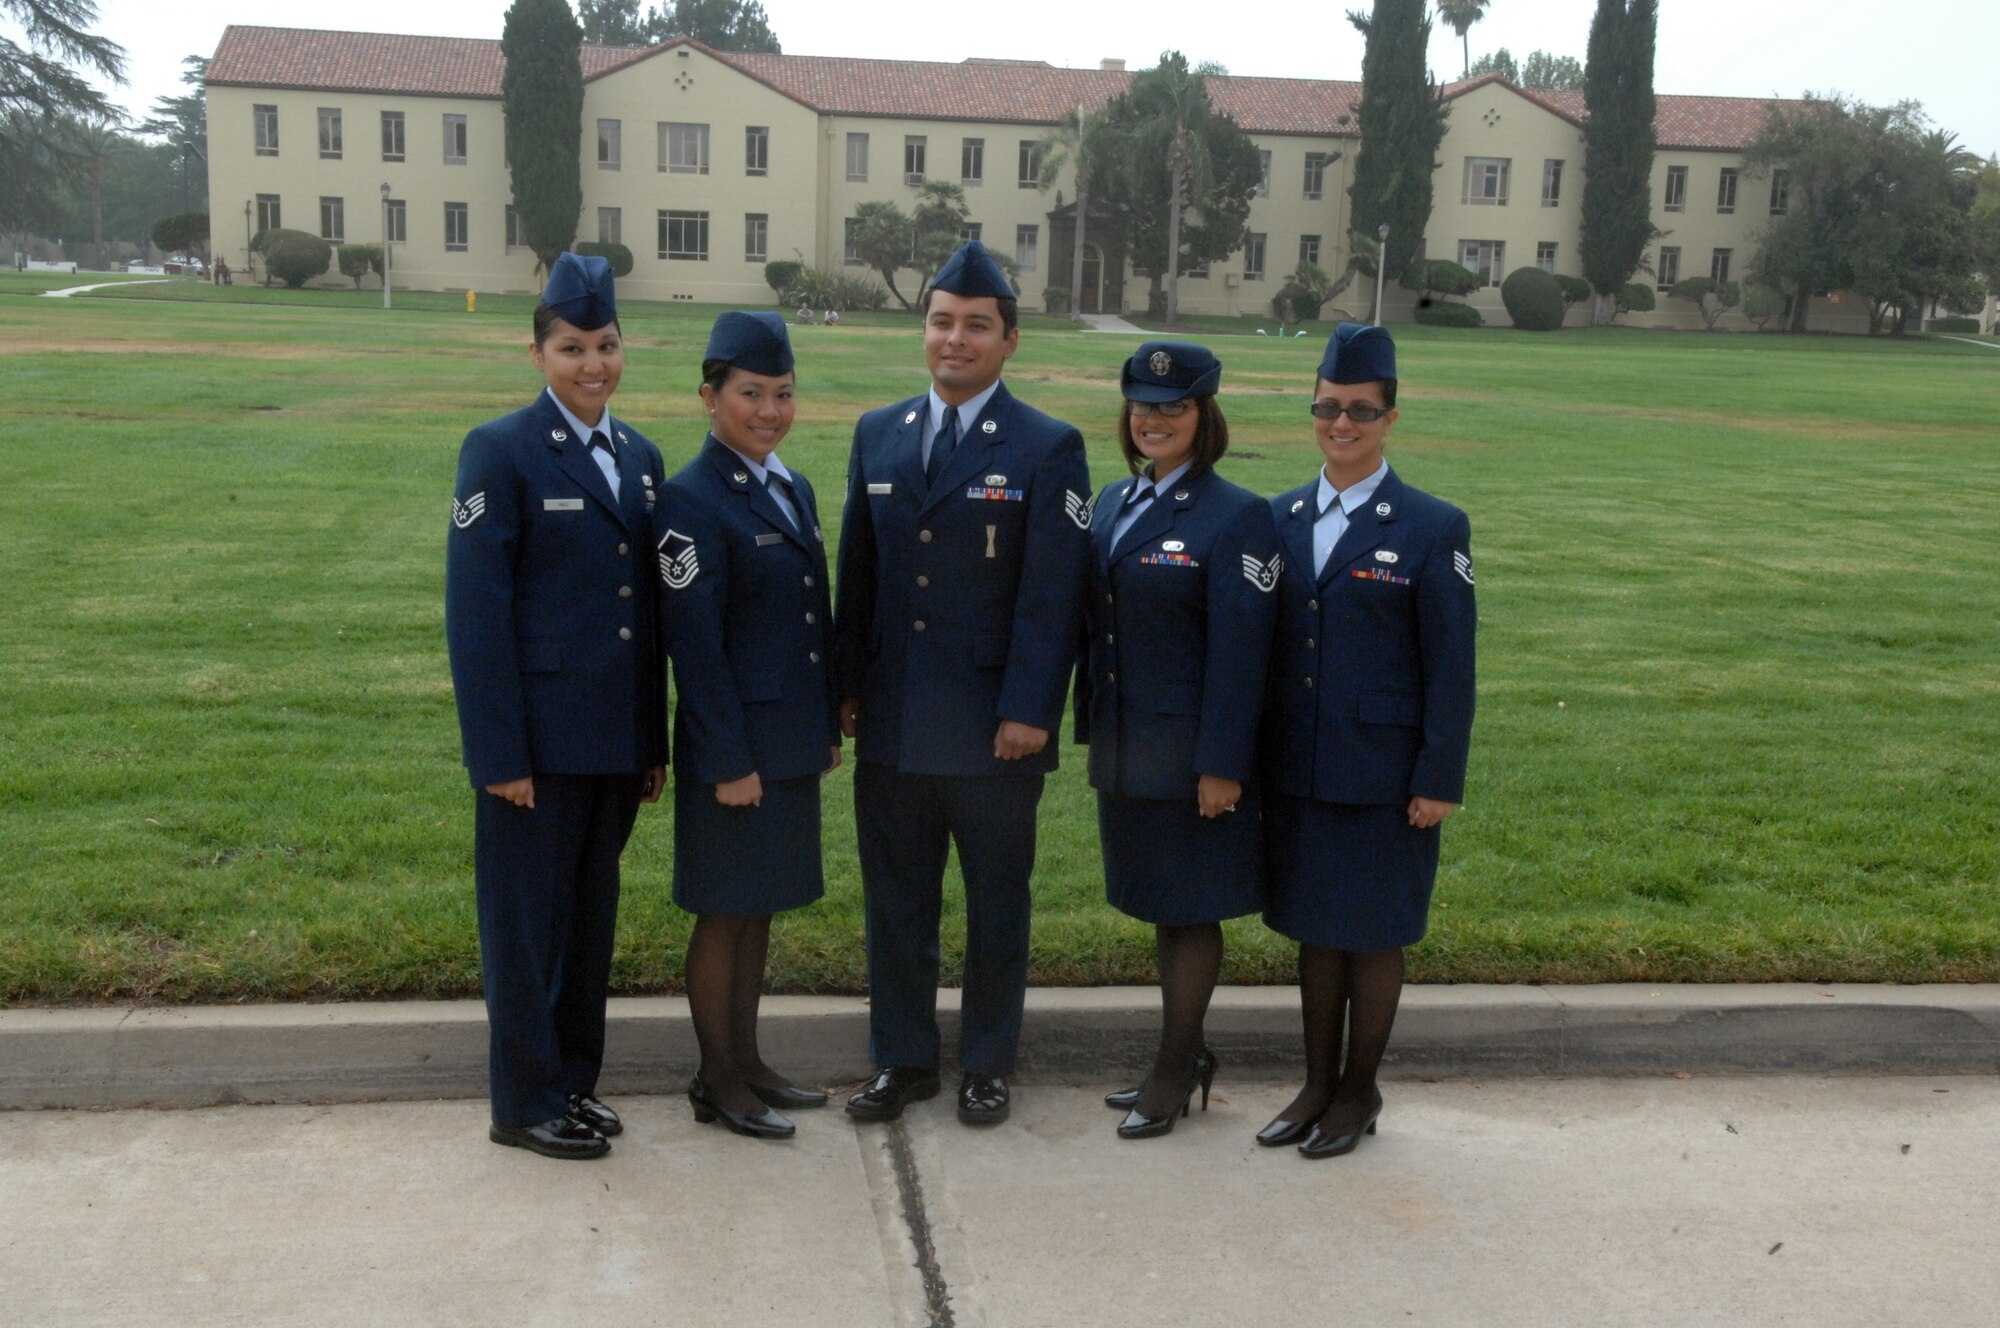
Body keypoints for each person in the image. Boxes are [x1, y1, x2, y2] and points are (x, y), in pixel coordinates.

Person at [833, 239, 1092, 1127]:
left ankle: (987, 1060)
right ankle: (901, 1059)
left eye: (976, 326)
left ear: (1009, 340)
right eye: (941, 322)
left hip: (993, 731)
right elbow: (857, 576)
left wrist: (1030, 710)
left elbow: (1052, 596)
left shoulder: (1049, 446)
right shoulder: (879, 433)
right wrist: (846, 687)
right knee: (896, 903)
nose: (955, 339)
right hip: (897, 723)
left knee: (995, 905)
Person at [444, 252, 668, 1161]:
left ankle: (573, 1082)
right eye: (572, 347)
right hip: (534, 750)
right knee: (525, 931)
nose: (593, 365)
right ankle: (523, 1101)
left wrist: (651, 739)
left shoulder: (642, 458)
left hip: (612, 744)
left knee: (587, 925)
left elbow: (647, 616)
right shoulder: (499, 452)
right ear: (536, 352)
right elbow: (477, 615)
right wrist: (499, 756)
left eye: (606, 346)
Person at [1258, 322, 1476, 1159]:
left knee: (1375, 933)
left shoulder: (1431, 526)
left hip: (1385, 774)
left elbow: (1450, 667)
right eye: (1326, 407)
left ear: (1389, 416)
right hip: (1302, 768)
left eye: (1359, 410)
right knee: (1318, 930)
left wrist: (1439, 774)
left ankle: (1359, 1091)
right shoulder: (1278, 518)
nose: (1340, 424)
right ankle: (1316, 1082)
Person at [1077, 342, 1282, 1139]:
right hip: (1129, 751)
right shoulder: (1109, 503)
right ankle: (1182, 1055)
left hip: (1193, 758)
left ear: (1205, 416)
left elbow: (1243, 651)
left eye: (1173, 407)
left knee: (1192, 913)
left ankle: (1175, 1067)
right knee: (1162, 907)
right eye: (1142, 406)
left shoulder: (1238, 515)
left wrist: (1223, 766)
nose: (1153, 419)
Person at [657, 311, 841, 1142]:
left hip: (785, 743)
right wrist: (728, 760)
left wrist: (820, 727)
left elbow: (806, 617)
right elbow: (695, 649)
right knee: (723, 913)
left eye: (784, 394)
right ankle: (717, 1077)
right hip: (732, 752)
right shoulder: (692, 501)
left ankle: (750, 1061)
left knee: (758, 908)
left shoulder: (788, 486)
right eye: (751, 394)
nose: (769, 411)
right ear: (710, 397)